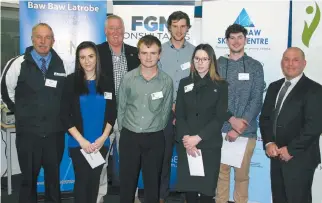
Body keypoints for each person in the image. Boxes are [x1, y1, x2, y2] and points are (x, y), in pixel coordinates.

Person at [1, 23, 66, 203]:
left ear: (53, 40)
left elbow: (65, 96)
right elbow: (6, 91)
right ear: (32, 39)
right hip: (28, 134)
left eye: (47, 37)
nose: (43, 41)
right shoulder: (17, 63)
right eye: (39, 37)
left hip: (54, 134)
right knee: (28, 180)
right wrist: (22, 112)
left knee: (53, 180)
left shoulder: (62, 64)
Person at [259, 47, 322, 203]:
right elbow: (265, 118)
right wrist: (268, 142)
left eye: (295, 60)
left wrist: (291, 149)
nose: (290, 64)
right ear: (282, 62)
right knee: (279, 199)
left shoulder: (314, 89)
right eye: (286, 59)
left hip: (300, 158)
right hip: (276, 156)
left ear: (304, 63)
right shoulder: (274, 87)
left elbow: (314, 126)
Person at [118, 35, 173, 203]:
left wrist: (153, 128)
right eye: (144, 52)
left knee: (152, 186)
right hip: (130, 137)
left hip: (155, 139)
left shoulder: (166, 81)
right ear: (139, 54)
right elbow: (121, 108)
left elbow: (165, 113)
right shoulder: (128, 78)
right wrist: (126, 132)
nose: (148, 57)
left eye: (153, 53)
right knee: (127, 185)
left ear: (159, 54)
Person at [60, 41, 117, 203]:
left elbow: (112, 112)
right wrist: (82, 141)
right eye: (82, 57)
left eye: (90, 56)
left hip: (101, 143)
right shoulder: (71, 81)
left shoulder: (106, 82)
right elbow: (64, 115)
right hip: (79, 143)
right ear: (78, 60)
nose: (87, 61)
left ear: (96, 58)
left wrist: (103, 138)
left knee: (94, 183)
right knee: (82, 183)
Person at [215, 24, 265, 203]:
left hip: (246, 133)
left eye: (239, 37)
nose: (236, 41)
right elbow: (214, 98)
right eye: (232, 38)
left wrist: (239, 127)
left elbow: (256, 98)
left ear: (245, 39)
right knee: (221, 178)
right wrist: (230, 120)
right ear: (226, 41)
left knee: (242, 179)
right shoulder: (218, 65)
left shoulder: (255, 66)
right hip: (220, 131)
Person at [175, 43, 228, 203]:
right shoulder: (184, 83)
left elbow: (219, 118)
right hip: (187, 145)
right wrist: (187, 139)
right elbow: (180, 113)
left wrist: (198, 138)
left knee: (206, 193)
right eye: (197, 58)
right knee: (190, 191)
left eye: (204, 59)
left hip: (209, 145)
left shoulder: (221, 85)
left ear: (211, 61)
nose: (200, 62)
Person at [96, 14, 140, 203]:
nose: (115, 32)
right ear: (105, 31)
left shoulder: (134, 53)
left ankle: (132, 196)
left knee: (130, 160)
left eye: (119, 28)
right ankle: (98, 196)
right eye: (111, 28)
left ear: (124, 31)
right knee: (100, 160)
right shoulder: (96, 52)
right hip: (103, 116)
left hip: (128, 116)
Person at [159, 11, 195, 203]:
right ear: (169, 28)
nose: (179, 30)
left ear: (188, 28)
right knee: (163, 159)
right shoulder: (160, 51)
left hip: (187, 116)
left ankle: (189, 197)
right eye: (175, 26)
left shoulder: (196, 53)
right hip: (163, 114)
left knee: (188, 158)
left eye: (183, 26)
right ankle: (161, 197)